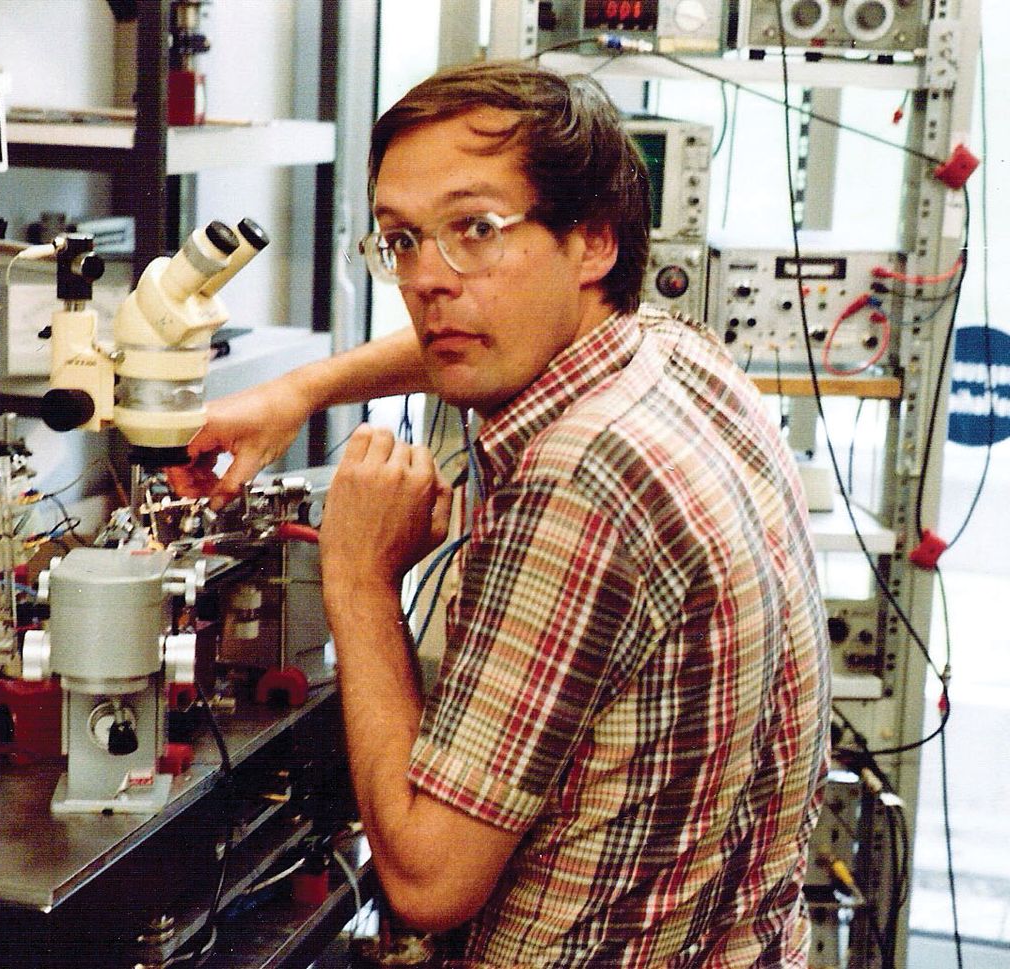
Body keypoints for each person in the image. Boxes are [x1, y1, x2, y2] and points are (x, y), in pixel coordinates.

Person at [169, 61, 831, 968]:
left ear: (591, 240)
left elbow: (427, 880)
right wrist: (301, 390)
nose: (427, 281)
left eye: (475, 230)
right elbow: (469, 328)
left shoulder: (580, 479)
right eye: (401, 240)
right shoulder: (680, 359)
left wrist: (360, 581)